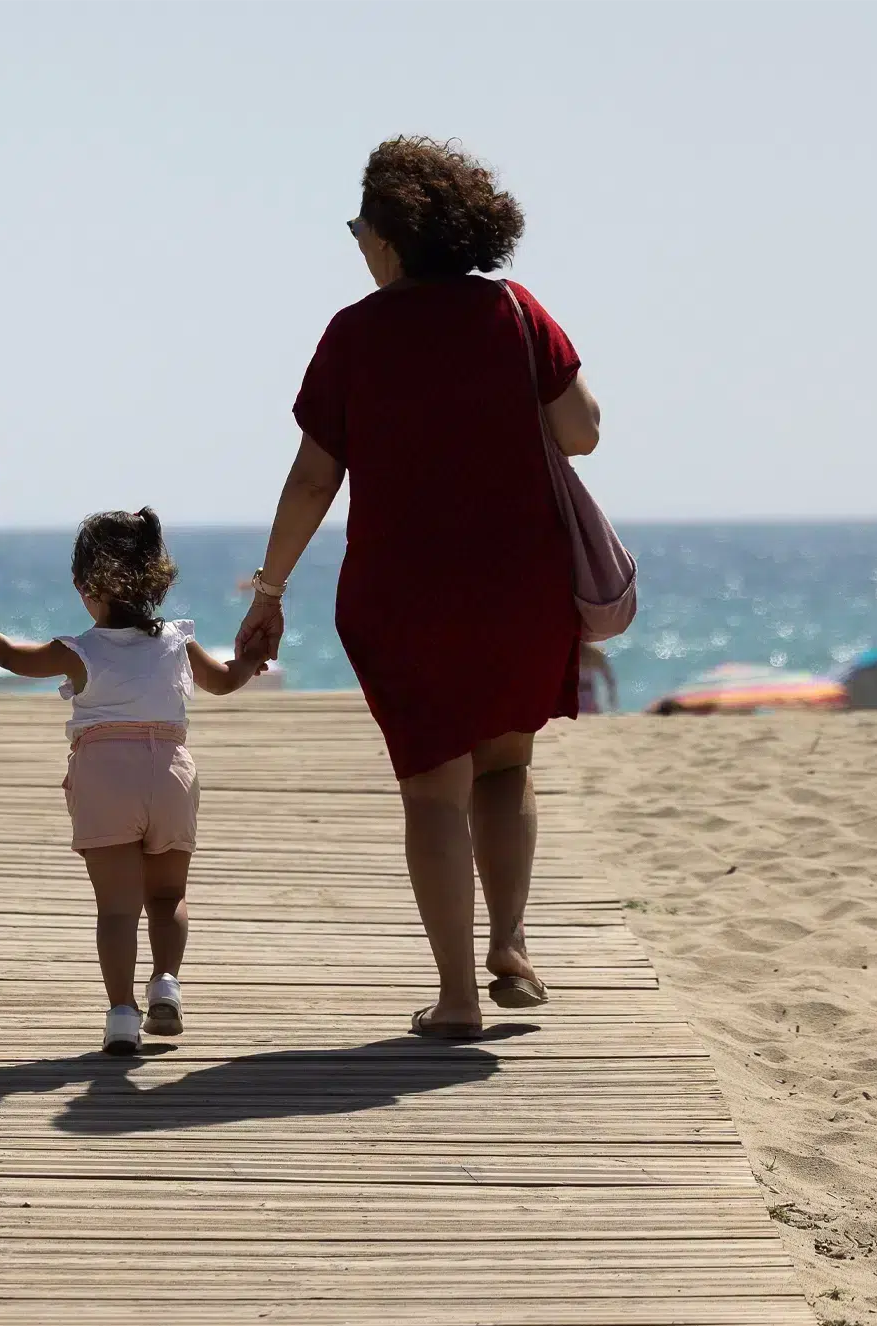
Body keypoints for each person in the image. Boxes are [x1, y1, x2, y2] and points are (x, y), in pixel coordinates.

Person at [235, 137, 603, 1041]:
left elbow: (314, 477)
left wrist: (268, 588)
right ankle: (510, 943)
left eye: (362, 225)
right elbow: (585, 431)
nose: (357, 240)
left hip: (406, 595)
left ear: (393, 238)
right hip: (522, 584)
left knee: (432, 790)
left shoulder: (357, 333)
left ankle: (458, 998)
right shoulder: (518, 313)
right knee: (507, 765)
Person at [0, 509, 268, 1055]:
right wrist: (250, 660)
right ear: (155, 578)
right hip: (170, 771)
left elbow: (11, 656)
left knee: (117, 908)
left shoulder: (79, 650)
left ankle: (122, 1013)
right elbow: (222, 681)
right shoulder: (177, 641)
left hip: (105, 775)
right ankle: (166, 983)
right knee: (168, 895)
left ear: (85, 586)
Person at [579, 643, 619, 715]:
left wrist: (612, 695)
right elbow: (609, 678)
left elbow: (608, 677)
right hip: (587, 695)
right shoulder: (593, 653)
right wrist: (612, 695)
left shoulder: (593, 653)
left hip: (582, 695)